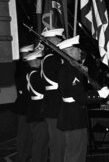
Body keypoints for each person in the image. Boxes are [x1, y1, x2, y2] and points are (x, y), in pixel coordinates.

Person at [56, 36, 109, 162]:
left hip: (73, 115)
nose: (80, 52)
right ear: (68, 52)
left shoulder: (70, 69)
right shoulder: (70, 71)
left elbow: (79, 92)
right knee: (75, 154)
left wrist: (96, 91)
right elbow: (80, 97)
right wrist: (98, 95)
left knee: (76, 153)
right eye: (77, 49)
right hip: (74, 117)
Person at [40, 28, 65, 162]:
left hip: (53, 104)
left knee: (58, 143)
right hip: (55, 104)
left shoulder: (50, 58)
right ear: (53, 41)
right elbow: (62, 79)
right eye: (59, 40)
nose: (61, 42)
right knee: (58, 144)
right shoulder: (52, 59)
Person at [24, 46, 49, 162]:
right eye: (38, 59)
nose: (40, 61)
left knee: (42, 144)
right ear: (32, 61)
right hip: (38, 112)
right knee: (40, 144)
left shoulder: (31, 73)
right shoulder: (35, 74)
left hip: (35, 111)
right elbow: (43, 89)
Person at [14, 44, 33, 162]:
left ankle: (26, 156)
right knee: (24, 135)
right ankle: (22, 157)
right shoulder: (22, 68)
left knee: (29, 136)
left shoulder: (24, 67)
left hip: (28, 107)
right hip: (24, 107)